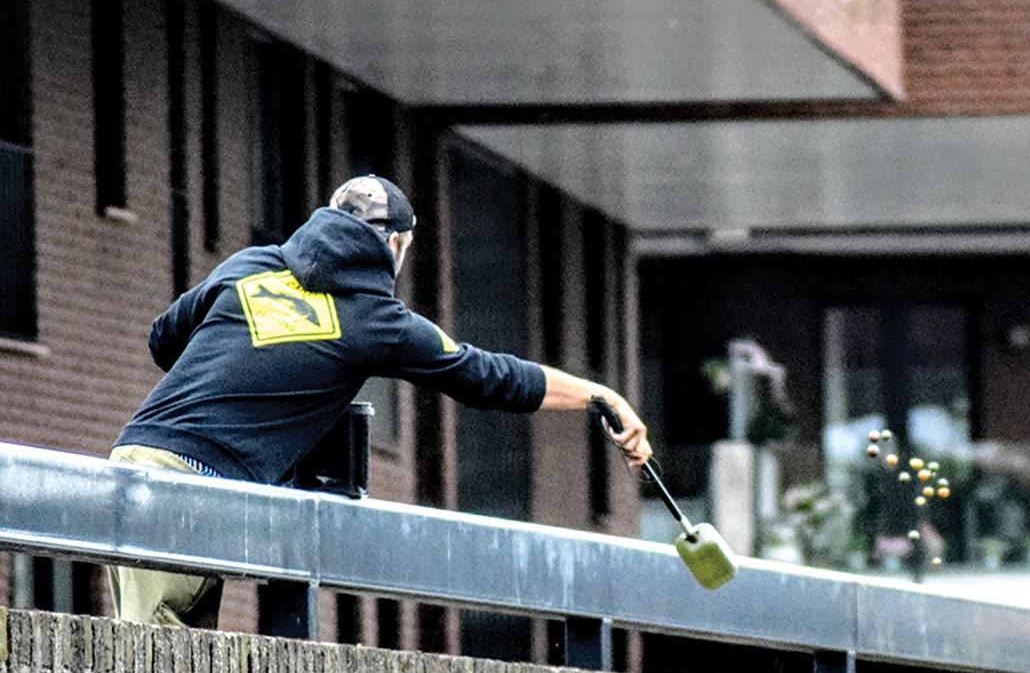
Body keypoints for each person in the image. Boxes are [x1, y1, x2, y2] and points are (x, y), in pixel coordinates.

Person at [109, 174, 650, 628]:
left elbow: (164, 340)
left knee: (176, 658)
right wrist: (599, 395)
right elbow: (485, 375)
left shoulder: (251, 266)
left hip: (136, 457)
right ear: (394, 245)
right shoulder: (374, 317)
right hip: (198, 482)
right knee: (151, 664)